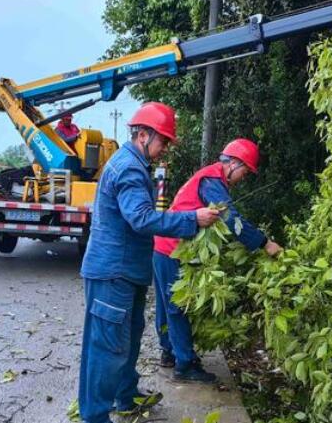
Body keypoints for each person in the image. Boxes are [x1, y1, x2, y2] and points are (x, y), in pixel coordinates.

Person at [77, 102, 221, 423]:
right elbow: (141, 219)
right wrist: (192, 219)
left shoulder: (134, 163)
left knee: (127, 337)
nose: (165, 149)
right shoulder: (128, 168)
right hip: (113, 272)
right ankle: (94, 416)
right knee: (107, 347)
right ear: (143, 134)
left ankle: (124, 396)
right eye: (163, 141)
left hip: (126, 272)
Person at [153, 138, 283, 383]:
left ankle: (168, 352)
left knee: (166, 303)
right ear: (234, 163)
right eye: (245, 171)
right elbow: (231, 220)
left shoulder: (209, 177)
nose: (244, 177)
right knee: (177, 306)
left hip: (164, 243)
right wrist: (265, 243)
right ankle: (185, 364)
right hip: (173, 247)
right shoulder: (213, 181)